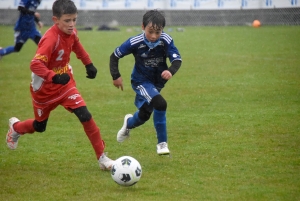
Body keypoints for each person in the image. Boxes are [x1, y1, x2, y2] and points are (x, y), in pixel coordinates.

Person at [6, 0, 114, 170]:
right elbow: (35, 64)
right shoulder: (50, 38)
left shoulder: (71, 32)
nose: (71, 25)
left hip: (65, 83)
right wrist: (53, 77)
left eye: (74, 20)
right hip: (44, 88)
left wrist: (88, 64)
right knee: (39, 126)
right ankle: (16, 127)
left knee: (84, 115)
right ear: (56, 20)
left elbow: (76, 45)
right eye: (67, 21)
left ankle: (102, 158)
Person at [109, 10, 182, 155]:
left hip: (158, 83)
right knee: (160, 104)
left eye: (158, 32)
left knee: (144, 115)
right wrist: (116, 76)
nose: (154, 36)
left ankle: (128, 123)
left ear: (162, 29)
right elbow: (114, 56)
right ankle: (162, 144)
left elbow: (177, 59)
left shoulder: (166, 40)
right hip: (140, 81)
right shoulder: (134, 42)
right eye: (150, 31)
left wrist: (170, 71)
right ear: (143, 27)